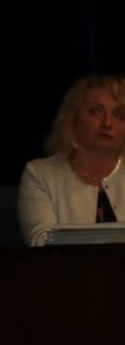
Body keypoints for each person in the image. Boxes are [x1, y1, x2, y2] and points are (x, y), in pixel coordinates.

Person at [18, 75, 125, 247]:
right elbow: (41, 243)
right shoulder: (40, 173)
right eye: (95, 111)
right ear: (72, 116)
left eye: (120, 115)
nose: (107, 123)